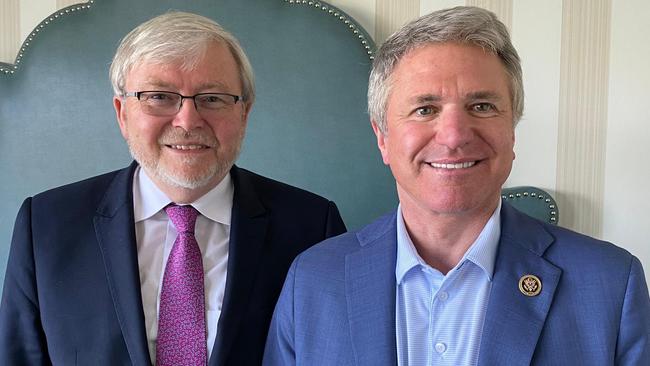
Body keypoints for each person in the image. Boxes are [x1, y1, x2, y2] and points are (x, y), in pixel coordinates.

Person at [263, 6, 650, 366]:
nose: (453, 136)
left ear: (511, 130)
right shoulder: (313, 281)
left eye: (481, 106)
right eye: (425, 109)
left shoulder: (611, 285)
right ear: (383, 137)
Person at [0, 11, 346, 366]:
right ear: (122, 113)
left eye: (212, 98)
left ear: (245, 113)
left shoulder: (312, 228)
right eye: (159, 97)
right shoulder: (46, 225)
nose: (187, 120)